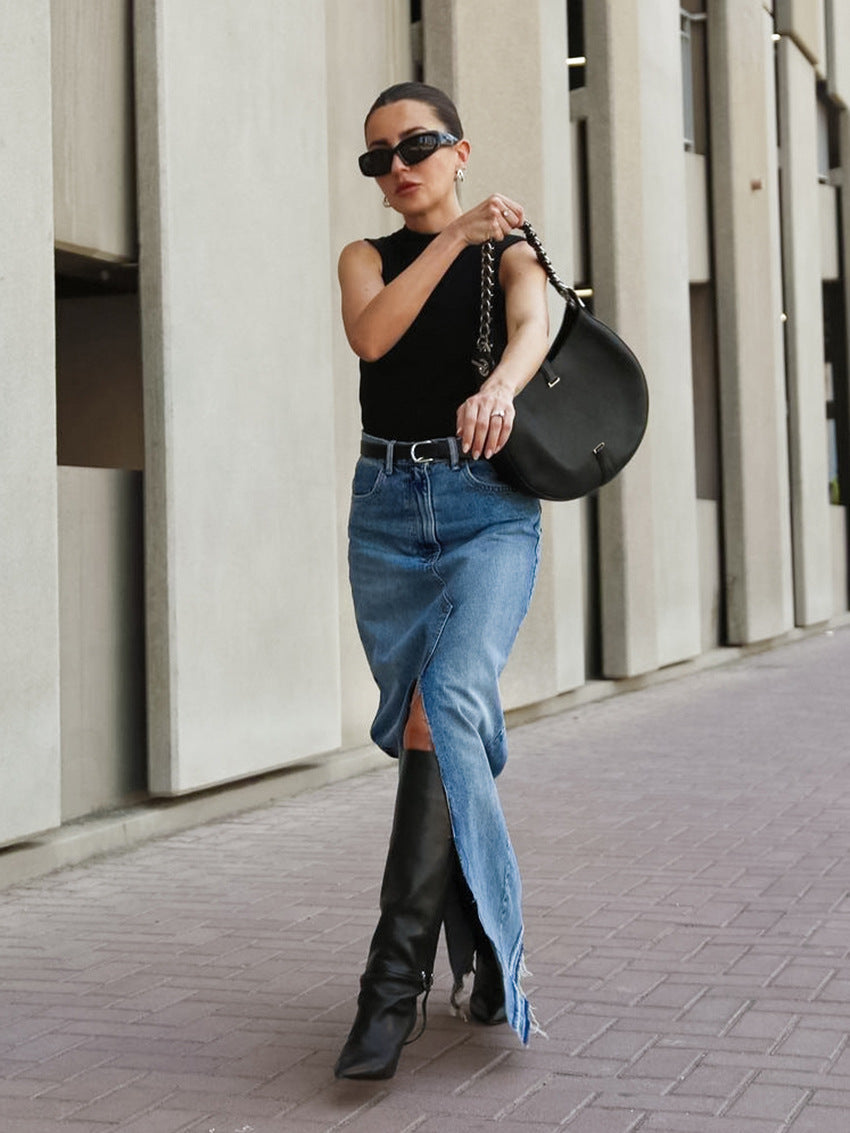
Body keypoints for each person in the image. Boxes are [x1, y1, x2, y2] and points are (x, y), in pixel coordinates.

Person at [334, 81, 550, 1081]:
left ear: (458, 147)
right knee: (436, 723)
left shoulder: (506, 243)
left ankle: (391, 989)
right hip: (387, 517)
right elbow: (373, 337)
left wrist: (500, 387)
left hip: (485, 514)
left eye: (415, 144)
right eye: (378, 156)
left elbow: (533, 321)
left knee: (443, 701)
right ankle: (484, 962)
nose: (398, 166)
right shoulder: (367, 258)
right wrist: (449, 236)